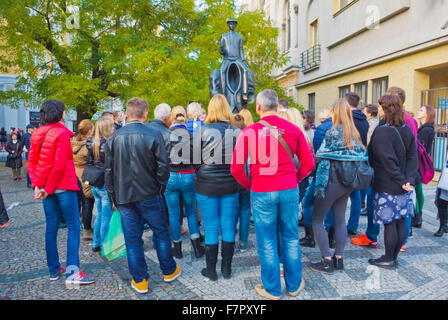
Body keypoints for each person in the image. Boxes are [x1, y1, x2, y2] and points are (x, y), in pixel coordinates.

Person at [231, 89, 314, 300]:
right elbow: (309, 163)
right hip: (288, 189)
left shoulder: (249, 132)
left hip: (262, 190)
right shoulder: (293, 129)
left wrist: (250, 185)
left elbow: (236, 168)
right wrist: (294, 179)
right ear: (277, 106)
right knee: (291, 236)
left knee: (266, 239)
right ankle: (294, 285)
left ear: (258, 108)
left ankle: (272, 289)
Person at [105, 97, 180, 294]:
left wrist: (113, 197)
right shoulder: (153, 135)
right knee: (161, 233)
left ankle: (140, 280)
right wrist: (159, 188)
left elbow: (108, 172)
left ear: (127, 115)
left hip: (125, 196)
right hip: (149, 193)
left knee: (132, 238)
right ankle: (168, 270)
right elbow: (163, 168)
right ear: (145, 114)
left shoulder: (114, 137)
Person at [27, 99, 95, 285]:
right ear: (60, 113)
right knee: (74, 226)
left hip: (46, 189)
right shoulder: (62, 134)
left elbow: (31, 162)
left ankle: (54, 269)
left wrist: (38, 186)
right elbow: (58, 166)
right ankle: (73, 273)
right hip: (63, 186)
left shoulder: (36, 134)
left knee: (51, 227)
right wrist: (45, 189)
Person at [309, 98, 367, 274]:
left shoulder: (332, 133)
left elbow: (320, 155)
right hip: (347, 183)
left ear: (334, 112)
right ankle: (339, 259)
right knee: (341, 220)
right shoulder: (354, 134)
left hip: (330, 181)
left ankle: (326, 260)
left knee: (317, 220)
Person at [368, 95, 419, 269]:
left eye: (381, 107)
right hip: (404, 184)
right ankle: (393, 257)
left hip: (388, 183)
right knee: (399, 221)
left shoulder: (383, 131)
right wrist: (409, 180)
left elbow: (387, 160)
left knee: (390, 222)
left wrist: (402, 180)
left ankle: (389, 258)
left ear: (386, 109)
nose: (379, 110)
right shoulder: (405, 129)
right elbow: (413, 156)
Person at [195, 94, 241, 282]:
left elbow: (193, 160)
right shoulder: (236, 131)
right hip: (230, 184)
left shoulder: (202, 131)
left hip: (206, 185)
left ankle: (211, 271)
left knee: (211, 227)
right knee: (229, 226)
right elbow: (242, 160)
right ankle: (227, 270)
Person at [164, 106, 204, 259]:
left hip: (172, 176)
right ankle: (196, 246)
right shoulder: (190, 134)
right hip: (188, 175)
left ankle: (178, 249)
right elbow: (198, 157)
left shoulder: (166, 134)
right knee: (191, 211)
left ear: (171, 117)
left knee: (174, 214)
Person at [385, 87, 418, 252]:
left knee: (391, 217)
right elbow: (413, 150)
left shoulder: (389, 123)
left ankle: (392, 251)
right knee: (403, 211)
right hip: (406, 173)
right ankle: (402, 241)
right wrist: (409, 178)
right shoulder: (411, 120)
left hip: (392, 175)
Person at [300, 108, 334, 249]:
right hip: (340, 175)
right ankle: (332, 239)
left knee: (307, 202)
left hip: (322, 172)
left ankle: (310, 237)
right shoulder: (348, 129)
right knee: (333, 206)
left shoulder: (321, 129)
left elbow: (318, 155)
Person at [87, 118, 116, 252]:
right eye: (111, 126)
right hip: (105, 185)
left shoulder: (92, 143)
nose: (113, 128)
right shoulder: (108, 145)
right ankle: (105, 246)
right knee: (106, 217)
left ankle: (96, 243)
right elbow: (111, 168)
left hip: (95, 183)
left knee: (100, 215)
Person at [345, 92, 369, 237]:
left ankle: (334, 226)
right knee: (356, 195)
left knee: (339, 195)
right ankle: (352, 226)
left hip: (348, 159)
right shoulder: (364, 120)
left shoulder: (347, 119)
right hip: (361, 159)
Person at [72, 120, 95, 241]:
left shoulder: (73, 142)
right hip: (85, 175)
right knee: (88, 202)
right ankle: (87, 230)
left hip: (75, 174)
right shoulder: (88, 144)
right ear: (90, 131)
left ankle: (78, 226)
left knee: (78, 202)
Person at [413, 105, 436, 228]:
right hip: (419, 164)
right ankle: (418, 217)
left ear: (428, 114)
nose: (418, 111)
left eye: (421, 110)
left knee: (416, 190)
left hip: (418, 164)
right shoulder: (425, 128)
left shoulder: (426, 130)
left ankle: (417, 217)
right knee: (418, 190)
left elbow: (419, 149)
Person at [233, 114, 251, 252]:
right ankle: (243, 243)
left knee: (232, 211)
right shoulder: (249, 135)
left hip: (232, 179)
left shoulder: (228, 137)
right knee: (245, 211)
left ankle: (230, 240)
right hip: (247, 178)